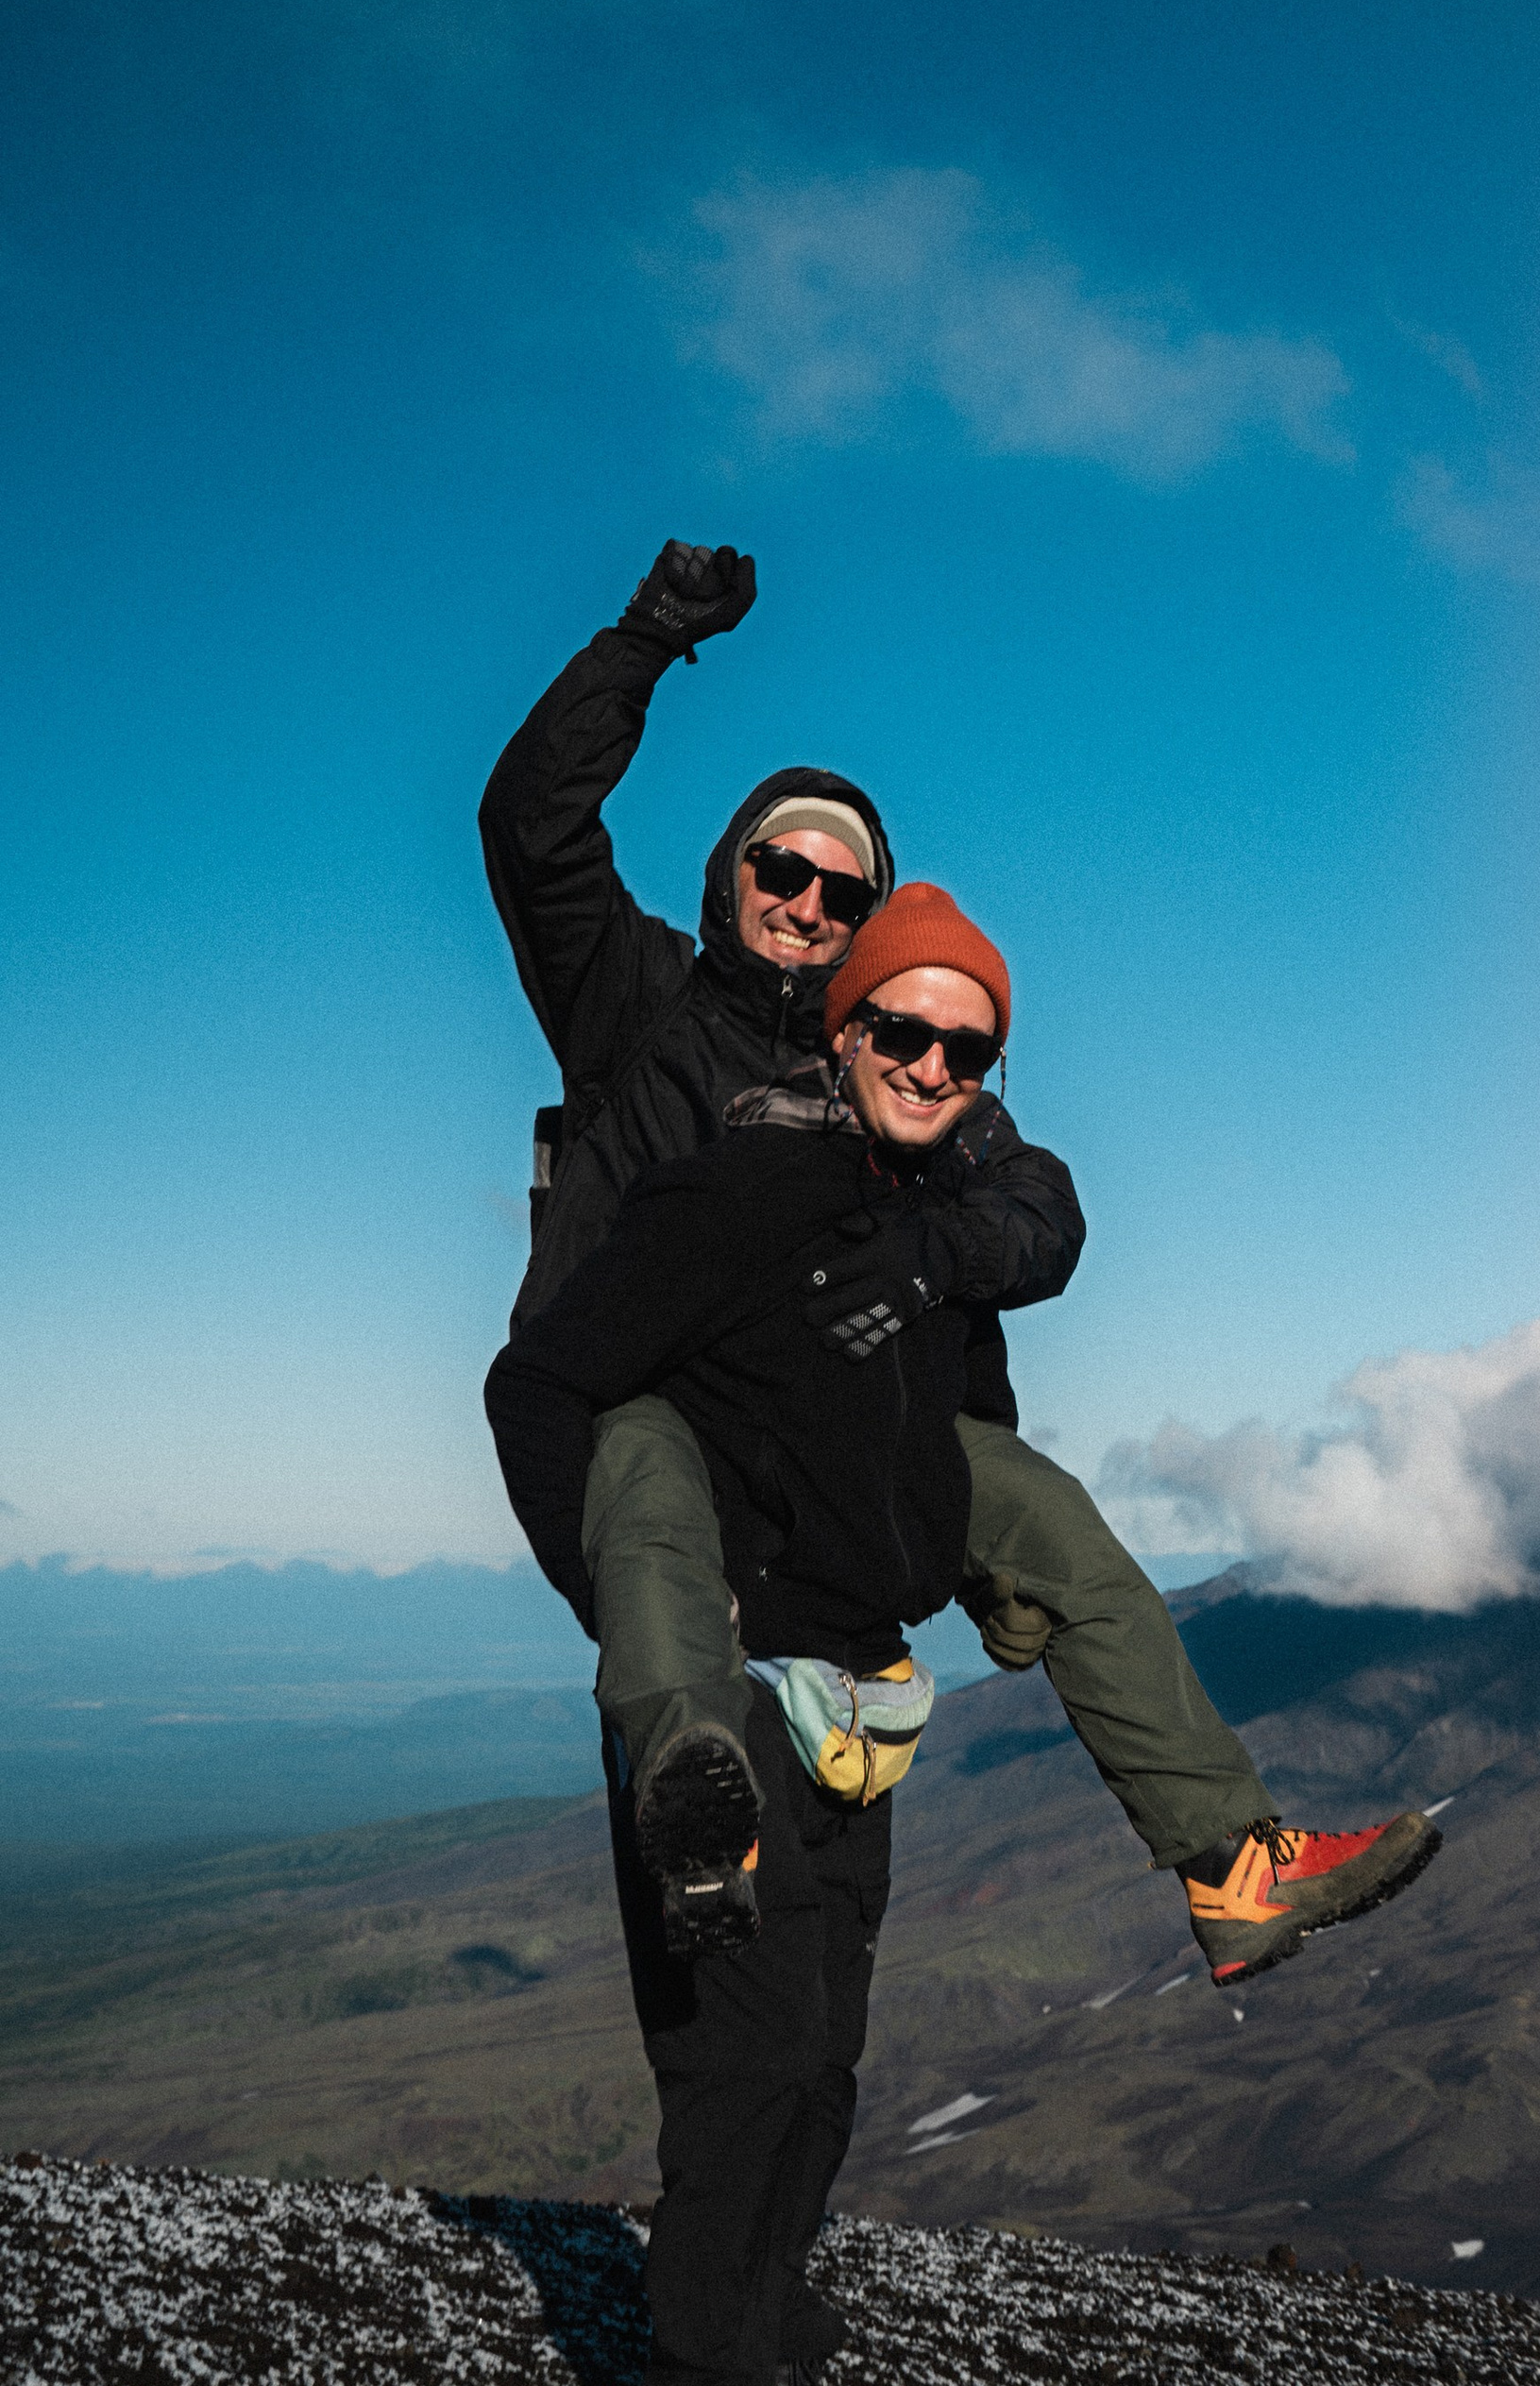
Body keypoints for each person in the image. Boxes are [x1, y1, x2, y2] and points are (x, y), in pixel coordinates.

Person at [480, 538, 1443, 1988]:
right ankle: (701, 1819)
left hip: (840, 1430)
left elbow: (1042, 1207)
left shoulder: (893, 1061)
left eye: (842, 894)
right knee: (651, 1491)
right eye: (781, 870)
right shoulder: (640, 1002)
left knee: (1050, 1519)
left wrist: (935, 1250)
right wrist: (644, 641)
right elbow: (532, 823)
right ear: (732, 876)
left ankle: (1234, 1867)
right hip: (660, 1409)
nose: (807, 905)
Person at [486, 884, 1033, 2386]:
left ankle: (772, 2360)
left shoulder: (933, 1240)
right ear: (845, 1028)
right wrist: (629, 1609)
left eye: (965, 1049)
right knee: (743, 2061)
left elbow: (962, 1440)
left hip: (860, 1697)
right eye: (903, 1029)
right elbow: (540, 1381)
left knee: (824, 2059)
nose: (930, 1065)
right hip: (724, 1713)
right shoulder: (735, 1194)